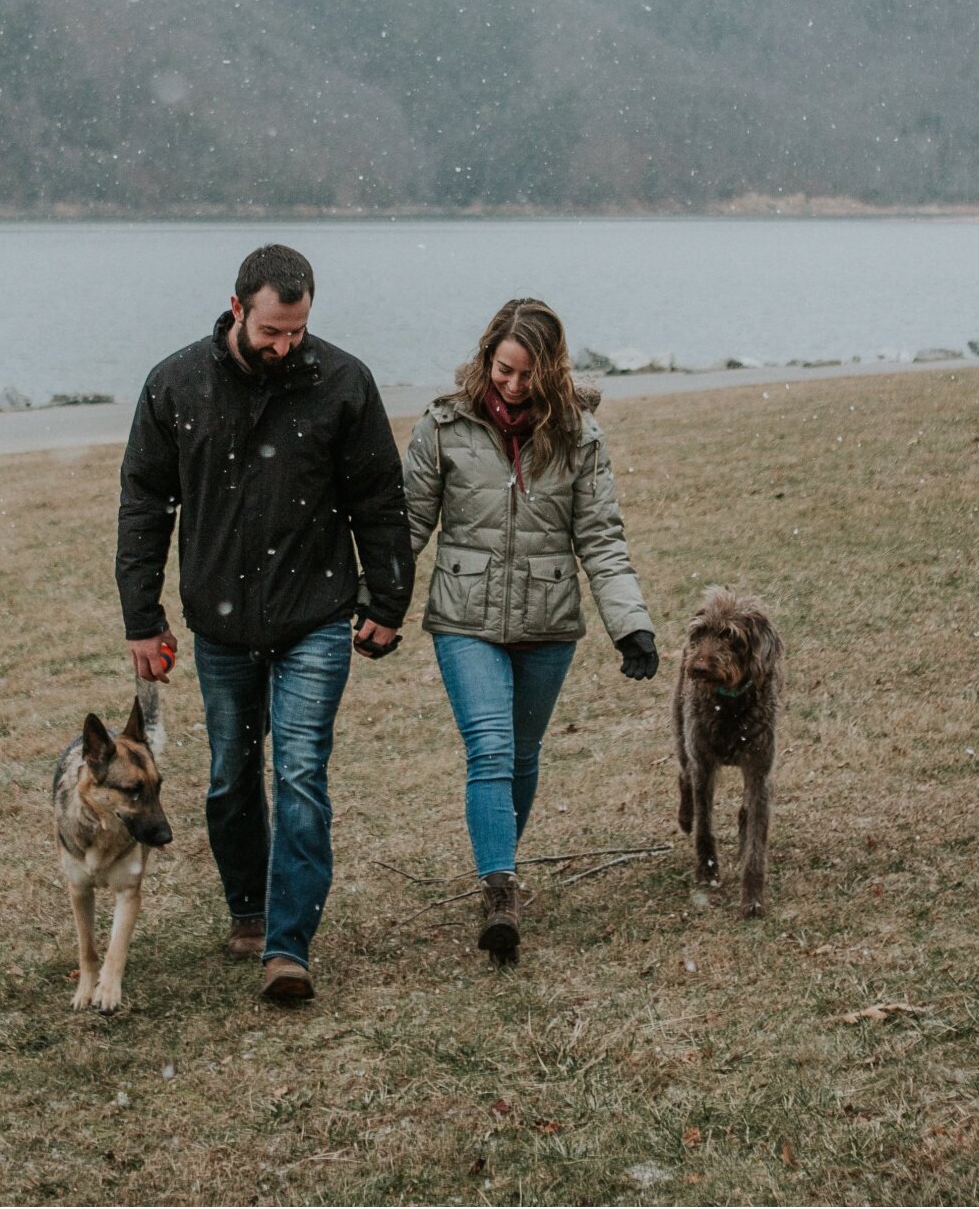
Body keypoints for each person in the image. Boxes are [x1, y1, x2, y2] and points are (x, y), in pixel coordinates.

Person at [115, 243, 409, 1003]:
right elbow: (145, 505)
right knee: (229, 779)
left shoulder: (342, 382)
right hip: (218, 624)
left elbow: (380, 498)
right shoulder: (176, 384)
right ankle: (248, 905)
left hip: (315, 613)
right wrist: (141, 618)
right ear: (238, 307)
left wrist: (387, 601)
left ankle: (288, 946)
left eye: (298, 330)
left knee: (301, 774)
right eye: (274, 330)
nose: (286, 345)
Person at [400, 297, 657, 964]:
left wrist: (631, 625)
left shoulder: (579, 436)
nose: (509, 385)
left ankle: (499, 863)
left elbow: (601, 538)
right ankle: (500, 890)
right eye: (501, 368)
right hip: (465, 618)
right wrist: (373, 604)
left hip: (548, 622)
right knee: (488, 747)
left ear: (549, 375)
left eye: (525, 375)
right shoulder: (445, 425)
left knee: (521, 751)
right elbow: (405, 528)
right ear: (487, 356)